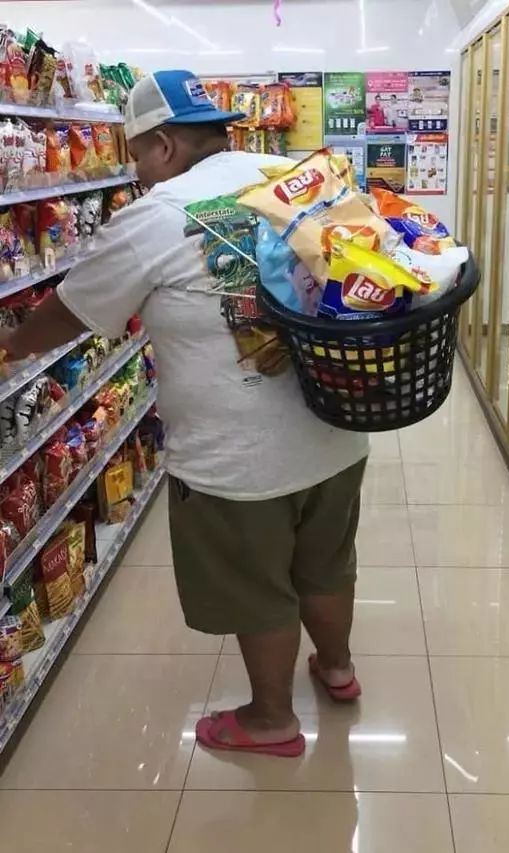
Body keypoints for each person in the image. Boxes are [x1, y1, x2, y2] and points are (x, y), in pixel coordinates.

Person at [0, 70, 369, 758]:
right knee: (325, 562)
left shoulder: (155, 216)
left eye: (136, 153)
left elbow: (71, 312)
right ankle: (338, 668)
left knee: (258, 586)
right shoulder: (295, 175)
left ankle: (271, 720)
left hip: (239, 457)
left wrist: (14, 343)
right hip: (337, 426)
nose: (135, 169)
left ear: (164, 144)